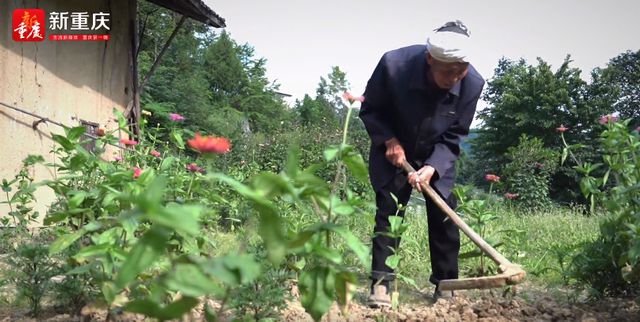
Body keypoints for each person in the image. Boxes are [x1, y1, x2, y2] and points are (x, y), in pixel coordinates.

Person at [358, 20, 485, 307]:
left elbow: (456, 134)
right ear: (430, 59)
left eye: (460, 70)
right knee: (389, 210)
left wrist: (433, 166)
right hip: (393, 147)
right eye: (447, 71)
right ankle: (382, 283)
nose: (454, 77)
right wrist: (389, 141)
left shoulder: (473, 84)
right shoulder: (393, 65)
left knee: (444, 215)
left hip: (438, 151)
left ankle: (446, 283)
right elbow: (370, 109)